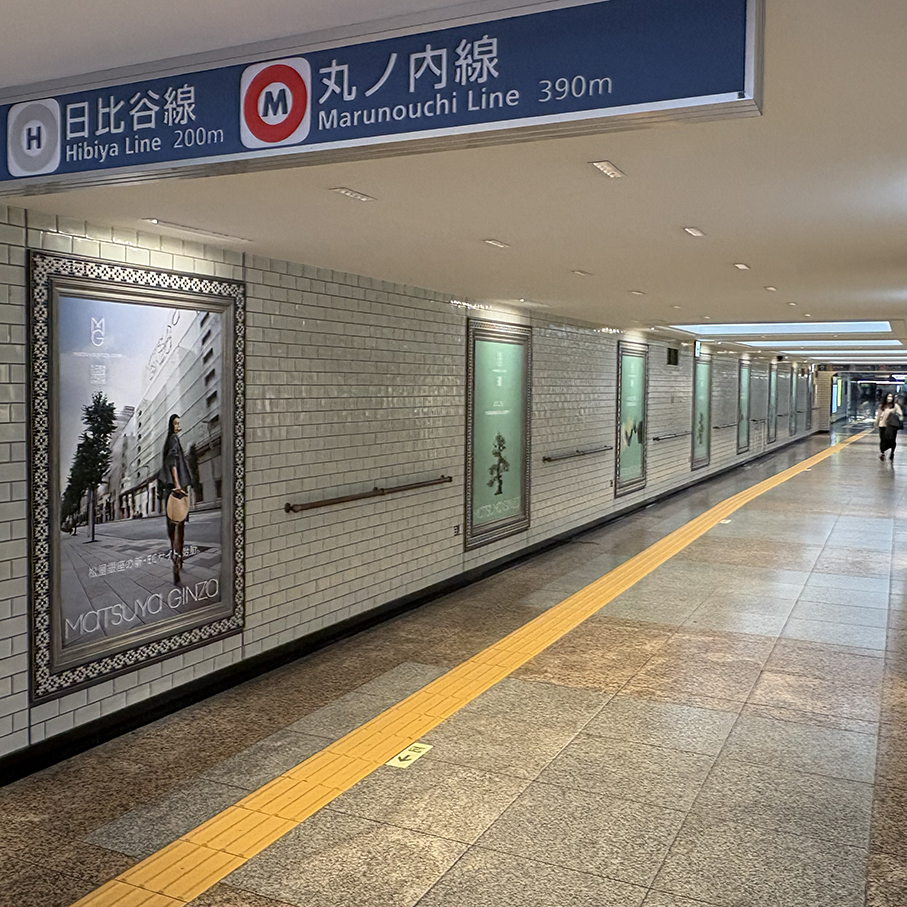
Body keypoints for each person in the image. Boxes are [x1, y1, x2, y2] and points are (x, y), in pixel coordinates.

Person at [159, 413, 191, 581]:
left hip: (171, 491)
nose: (179, 426)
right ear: (171, 425)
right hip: (175, 490)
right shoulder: (173, 439)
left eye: (179, 423)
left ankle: (178, 558)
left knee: (175, 527)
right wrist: (178, 484)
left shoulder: (172, 439)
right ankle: (177, 560)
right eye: (176, 423)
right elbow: (172, 462)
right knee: (179, 527)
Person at [874, 393, 903, 462]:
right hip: (882, 425)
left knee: (891, 439)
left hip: (892, 426)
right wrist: (876, 424)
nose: (889, 398)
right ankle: (882, 453)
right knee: (883, 439)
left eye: (891, 397)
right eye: (888, 396)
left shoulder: (895, 406)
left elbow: (900, 414)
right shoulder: (882, 406)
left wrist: (898, 419)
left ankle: (892, 452)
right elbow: (878, 415)